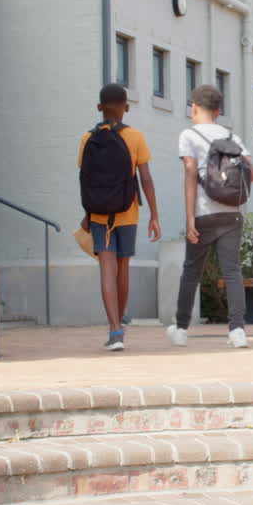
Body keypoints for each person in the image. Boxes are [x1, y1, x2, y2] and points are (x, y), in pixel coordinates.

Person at [168, 84, 253, 349]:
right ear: (218, 111)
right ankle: (237, 330)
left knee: (191, 271)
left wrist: (190, 217)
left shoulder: (188, 135)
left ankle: (181, 329)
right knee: (232, 271)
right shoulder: (232, 137)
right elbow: (252, 172)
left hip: (204, 214)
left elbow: (190, 174)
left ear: (194, 108)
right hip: (232, 214)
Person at [78, 84, 160, 351]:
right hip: (128, 212)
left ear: (100, 108)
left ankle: (114, 330)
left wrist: (88, 214)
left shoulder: (87, 139)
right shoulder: (135, 137)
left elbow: (88, 181)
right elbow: (145, 178)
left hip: (100, 215)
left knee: (106, 268)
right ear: (126, 107)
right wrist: (154, 216)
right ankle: (119, 328)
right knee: (123, 268)